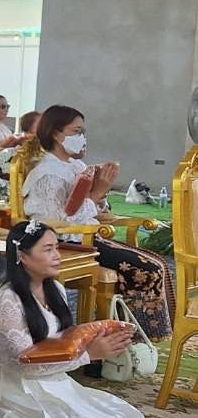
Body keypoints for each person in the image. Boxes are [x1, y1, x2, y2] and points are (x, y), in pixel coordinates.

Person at [0, 221, 162, 418]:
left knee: (125, 415)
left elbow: (62, 339)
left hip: (56, 381)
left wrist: (98, 336)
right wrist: (89, 354)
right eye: (48, 249)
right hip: (18, 386)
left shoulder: (56, 289)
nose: (57, 255)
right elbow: (26, 366)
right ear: (23, 256)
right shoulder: (9, 301)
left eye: (56, 247)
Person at [21, 105, 173, 339]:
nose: (82, 138)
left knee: (156, 263)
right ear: (56, 134)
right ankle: (133, 336)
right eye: (76, 131)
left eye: (83, 132)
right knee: (146, 269)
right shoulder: (48, 172)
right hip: (65, 242)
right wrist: (96, 193)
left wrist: (101, 195)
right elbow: (61, 222)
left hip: (87, 236)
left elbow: (92, 207)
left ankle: (125, 332)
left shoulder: (76, 166)